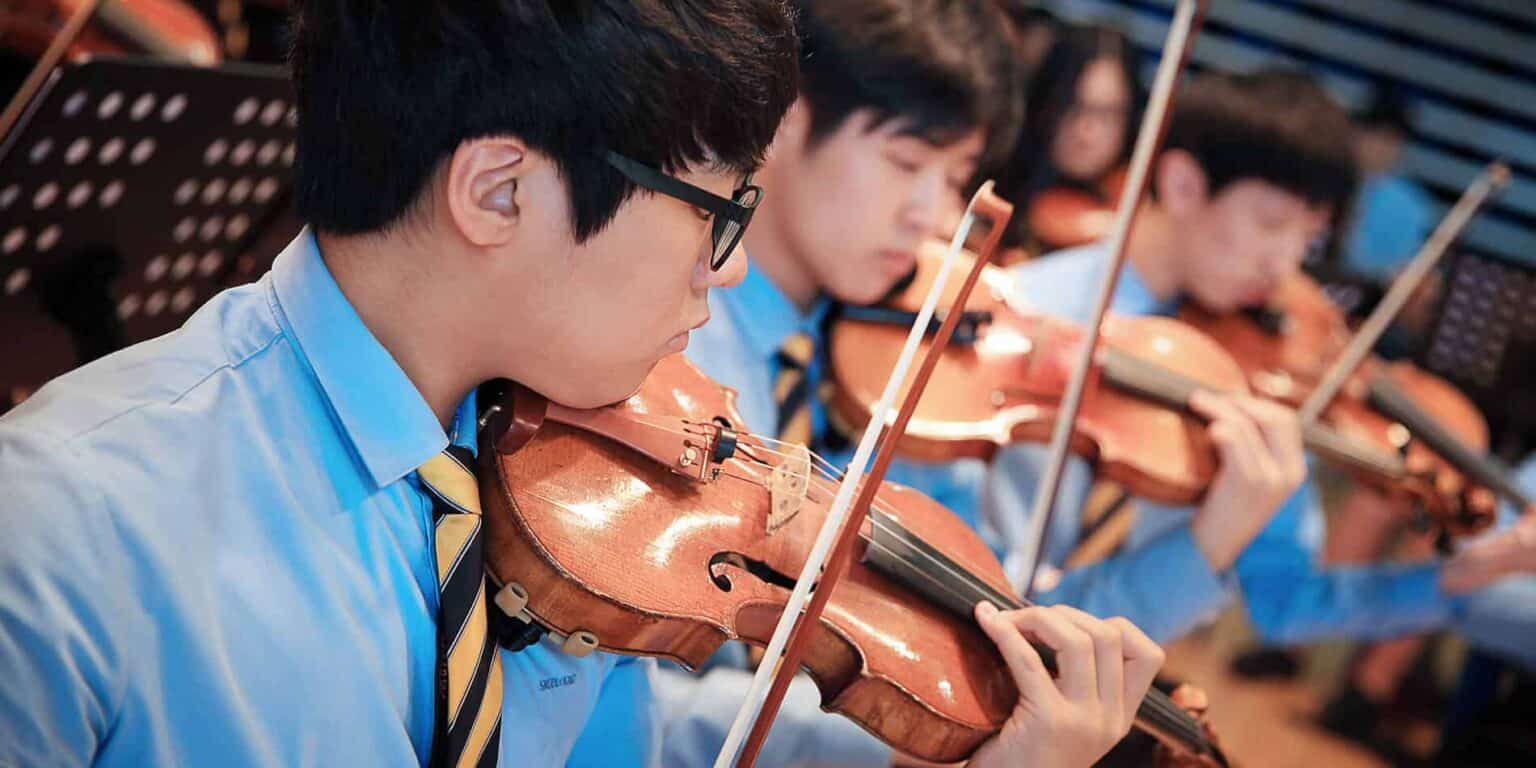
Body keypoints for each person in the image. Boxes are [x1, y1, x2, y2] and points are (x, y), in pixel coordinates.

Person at [0, 3, 1162, 767]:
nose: (736, 267)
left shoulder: (563, 495)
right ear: (500, 191)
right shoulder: (63, 534)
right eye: (718, 211)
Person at [985, 70, 1536, 656]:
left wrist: (1454, 578)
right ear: (1181, 184)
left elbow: (1284, 604)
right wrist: (1209, 540)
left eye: (1309, 240)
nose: (1285, 267)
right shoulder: (1032, 326)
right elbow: (1000, 615)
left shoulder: (1262, 378)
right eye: (1271, 224)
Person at [996, 22, 1143, 255]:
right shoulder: (999, 173)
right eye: (1074, 107)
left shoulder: (1135, 209)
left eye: (1108, 114)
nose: (1087, 133)